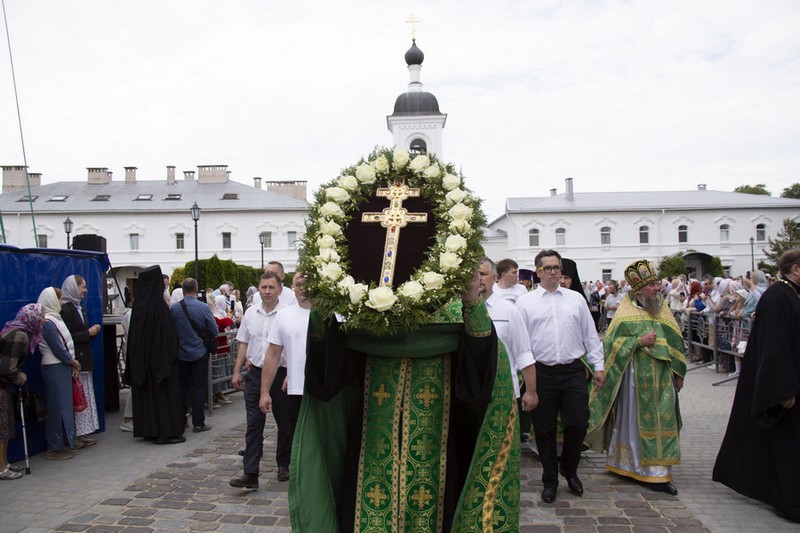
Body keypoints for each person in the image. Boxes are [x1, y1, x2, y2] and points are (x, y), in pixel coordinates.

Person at [586, 259, 686, 495]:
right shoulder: (625, 312)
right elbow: (610, 345)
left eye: (657, 284)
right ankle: (626, 465)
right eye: (652, 285)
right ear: (639, 289)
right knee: (632, 424)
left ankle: (659, 472)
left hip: (661, 380)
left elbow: (676, 342)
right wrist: (637, 342)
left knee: (662, 423)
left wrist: (679, 373)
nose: (657, 289)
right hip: (632, 381)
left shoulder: (662, 309)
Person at [713, 249, 800, 522]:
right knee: (787, 447)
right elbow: (774, 348)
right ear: (796, 268)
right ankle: (789, 502)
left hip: (792, 382)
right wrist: (784, 389)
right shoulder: (778, 297)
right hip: (785, 389)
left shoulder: (790, 293)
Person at [516, 250, 604, 504]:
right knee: (543, 429)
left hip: (572, 370)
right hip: (541, 371)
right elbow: (521, 343)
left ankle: (570, 468)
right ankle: (550, 480)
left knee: (578, 422)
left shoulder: (575, 299)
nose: (553, 272)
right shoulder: (526, 303)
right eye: (548, 268)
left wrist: (597, 367)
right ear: (538, 272)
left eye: (557, 267)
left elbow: (590, 335)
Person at [229, 272, 285, 489]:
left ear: (280, 289)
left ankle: (284, 463)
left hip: (280, 375)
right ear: (258, 289)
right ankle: (250, 472)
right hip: (255, 374)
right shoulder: (251, 313)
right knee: (253, 424)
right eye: (264, 287)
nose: (267, 291)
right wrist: (236, 371)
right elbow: (243, 342)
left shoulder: (286, 315)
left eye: (272, 287)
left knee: (284, 423)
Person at [259, 272, 313, 482]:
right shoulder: (285, 315)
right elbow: (273, 354)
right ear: (292, 287)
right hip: (295, 389)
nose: (302, 288)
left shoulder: (330, 314)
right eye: (298, 284)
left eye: (307, 283)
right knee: (294, 433)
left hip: (323, 387)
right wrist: (264, 392)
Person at [478, 258, 538, 441]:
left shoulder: (508, 311)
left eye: (483, 274)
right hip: (470, 391)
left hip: (503, 389)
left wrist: (531, 391)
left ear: (494, 278)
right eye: (474, 274)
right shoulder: (457, 311)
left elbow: (523, 353)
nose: (478, 278)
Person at [125, 266, 185, 445]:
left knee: (146, 398)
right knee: (162, 399)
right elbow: (167, 337)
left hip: (142, 363)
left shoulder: (139, 306)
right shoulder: (159, 307)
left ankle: (148, 430)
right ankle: (164, 432)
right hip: (160, 363)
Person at [37, 287, 81, 459]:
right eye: (59, 299)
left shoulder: (54, 318)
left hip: (61, 367)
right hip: (54, 367)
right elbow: (58, 348)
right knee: (56, 408)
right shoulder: (48, 322)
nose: (62, 303)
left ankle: (65, 442)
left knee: (64, 407)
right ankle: (54, 447)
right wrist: (72, 361)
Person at [0, 303, 44, 478]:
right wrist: (19, 377)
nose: (43, 320)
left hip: (4, 386)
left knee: (6, 427)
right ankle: (2, 467)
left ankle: (5, 463)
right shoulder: (20, 335)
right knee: (3, 428)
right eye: (41, 316)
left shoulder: (14, 330)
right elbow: (7, 368)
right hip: (1, 386)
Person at [170, 278, 218, 433]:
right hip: (199, 352)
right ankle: (198, 423)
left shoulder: (174, 308)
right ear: (196, 290)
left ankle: (181, 420)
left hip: (180, 353)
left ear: (183, 290)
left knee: (182, 388)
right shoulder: (202, 307)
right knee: (198, 388)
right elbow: (214, 330)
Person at [60, 275, 100, 447]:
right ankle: (74, 434)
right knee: (77, 398)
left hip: (84, 358)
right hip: (76, 359)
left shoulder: (79, 308)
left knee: (85, 397)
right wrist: (88, 333)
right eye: (82, 286)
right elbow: (66, 336)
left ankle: (84, 431)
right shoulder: (66, 310)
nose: (85, 290)